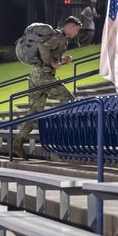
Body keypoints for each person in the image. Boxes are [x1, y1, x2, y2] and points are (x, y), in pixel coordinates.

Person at [15, 18, 81, 159]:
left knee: (34, 112)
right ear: (70, 27)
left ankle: (18, 142)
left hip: (36, 75)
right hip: (44, 77)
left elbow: (51, 55)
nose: (77, 32)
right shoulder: (59, 37)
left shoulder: (58, 37)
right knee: (70, 100)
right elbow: (43, 48)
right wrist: (52, 62)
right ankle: (76, 136)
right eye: (76, 29)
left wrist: (62, 60)